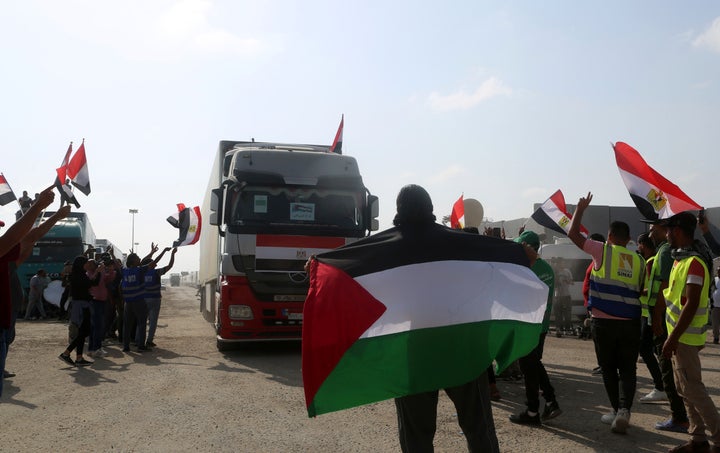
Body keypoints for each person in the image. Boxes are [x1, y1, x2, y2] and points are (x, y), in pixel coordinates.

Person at [389, 185, 503, 452]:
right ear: (430, 208)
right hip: (463, 346)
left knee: (415, 433)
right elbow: (500, 256)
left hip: (416, 349)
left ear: (399, 210)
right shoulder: (458, 241)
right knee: (478, 426)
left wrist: (319, 266)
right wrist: (525, 255)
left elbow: (349, 263)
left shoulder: (388, 247)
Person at [567, 192, 644, 434]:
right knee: (628, 369)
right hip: (631, 322)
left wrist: (580, 210)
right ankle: (624, 410)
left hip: (604, 323)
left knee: (609, 368)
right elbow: (640, 289)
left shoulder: (602, 251)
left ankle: (614, 409)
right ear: (629, 238)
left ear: (609, 236)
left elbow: (573, 235)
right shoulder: (639, 260)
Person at [660, 212, 720, 453]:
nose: (665, 235)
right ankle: (697, 439)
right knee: (685, 389)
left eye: (668, 230)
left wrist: (672, 338)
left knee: (694, 389)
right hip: (679, 336)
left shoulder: (693, 262)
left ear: (677, 230)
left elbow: (692, 303)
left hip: (683, 337)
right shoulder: (679, 260)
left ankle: (718, 438)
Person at [1, 186, 56, 396]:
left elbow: (30, 237)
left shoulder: (7, 263)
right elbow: (22, 237)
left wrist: (55, 216)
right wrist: (39, 206)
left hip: (7, 319)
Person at [509, 230, 562, 426]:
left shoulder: (528, 270)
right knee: (534, 365)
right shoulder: (545, 267)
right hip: (541, 326)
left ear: (528, 248)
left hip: (529, 326)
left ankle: (533, 412)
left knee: (529, 368)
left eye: (521, 247)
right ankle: (550, 401)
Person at [646, 219, 691, 434]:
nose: (650, 231)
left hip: (664, 320)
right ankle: (682, 416)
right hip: (667, 319)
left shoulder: (665, 253)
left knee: (668, 370)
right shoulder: (666, 252)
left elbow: (663, 286)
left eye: (653, 227)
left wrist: (656, 318)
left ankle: (679, 418)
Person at [636, 233, 666, 403]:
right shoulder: (652, 259)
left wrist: (636, 291)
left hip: (649, 313)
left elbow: (649, 288)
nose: (638, 248)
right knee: (651, 349)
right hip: (648, 312)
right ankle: (662, 384)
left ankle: (660, 385)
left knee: (645, 349)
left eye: (639, 245)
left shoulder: (650, 262)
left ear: (643, 245)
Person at [59, 256, 102, 367]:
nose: (88, 265)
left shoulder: (79, 274)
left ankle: (78, 357)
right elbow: (92, 284)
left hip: (83, 305)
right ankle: (67, 353)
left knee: (83, 332)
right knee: (84, 331)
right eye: (86, 263)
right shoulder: (78, 276)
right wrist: (98, 272)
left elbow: (94, 283)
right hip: (81, 306)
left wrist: (98, 272)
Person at [142, 246, 177, 348]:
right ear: (151, 264)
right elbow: (170, 266)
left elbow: (143, 260)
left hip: (143, 299)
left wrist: (152, 252)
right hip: (155, 299)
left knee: (142, 320)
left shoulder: (141, 272)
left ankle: (138, 340)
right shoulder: (157, 272)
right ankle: (149, 340)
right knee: (153, 321)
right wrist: (172, 254)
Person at [553, 258, 573, 336]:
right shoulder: (555, 272)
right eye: (560, 263)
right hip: (557, 296)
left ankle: (567, 329)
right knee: (558, 314)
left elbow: (572, 282)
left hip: (566, 295)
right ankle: (559, 329)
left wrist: (566, 281)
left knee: (567, 314)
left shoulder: (567, 271)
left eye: (563, 262)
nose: (562, 264)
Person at [712, 268, 720, 345]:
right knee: (715, 324)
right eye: (718, 271)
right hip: (715, 306)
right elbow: (710, 290)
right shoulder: (714, 280)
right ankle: (716, 338)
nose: (719, 272)